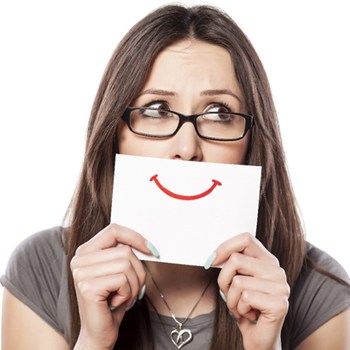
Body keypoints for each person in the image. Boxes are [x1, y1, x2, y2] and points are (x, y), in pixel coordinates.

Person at [1, 4, 349, 350]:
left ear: (252, 140)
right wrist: (93, 341)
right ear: (115, 133)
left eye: (219, 113)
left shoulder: (318, 289)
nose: (186, 148)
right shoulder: (41, 268)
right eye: (156, 110)